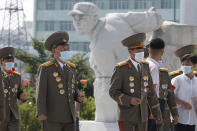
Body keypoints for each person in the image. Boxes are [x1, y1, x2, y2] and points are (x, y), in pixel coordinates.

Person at [69, 2, 163, 122]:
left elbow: (109, 79)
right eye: (74, 18)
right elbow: (152, 19)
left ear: (94, 17)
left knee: (110, 124)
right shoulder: (115, 18)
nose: (77, 23)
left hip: (111, 90)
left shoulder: (100, 44)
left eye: (82, 18)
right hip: (135, 85)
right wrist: (154, 17)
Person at [109, 33, 162, 131]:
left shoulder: (145, 67)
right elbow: (113, 91)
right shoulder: (121, 68)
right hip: (126, 116)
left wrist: (156, 112)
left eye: (142, 49)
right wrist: (129, 100)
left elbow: (151, 92)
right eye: (138, 49)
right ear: (130, 51)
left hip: (143, 115)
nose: (141, 51)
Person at [36, 30, 85, 131]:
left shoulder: (71, 68)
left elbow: (73, 87)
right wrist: (41, 112)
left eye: (67, 49)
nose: (65, 51)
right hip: (52, 116)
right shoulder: (46, 68)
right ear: (54, 50)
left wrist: (78, 95)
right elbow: (41, 92)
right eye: (62, 48)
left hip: (69, 115)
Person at [146, 38, 178, 131]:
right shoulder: (154, 67)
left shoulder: (143, 64)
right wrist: (155, 112)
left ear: (148, 50)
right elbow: (153, 92)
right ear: (162, 52)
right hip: (153, 108)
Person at [0, 47, 27, 131]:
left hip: (14, 114)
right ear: (1, 62)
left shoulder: (17, 76)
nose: (10, 62)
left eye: (12, 60)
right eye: (7, 60)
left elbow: (19, 91)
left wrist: (22, 96)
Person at [171, 54, 197, 131]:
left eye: (188, 64)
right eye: (183, 64)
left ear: (194, 66)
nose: (185, 66)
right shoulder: (176, 80)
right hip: (178, 119)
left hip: (193, 120)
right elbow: (170, 96)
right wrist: (183, 103)